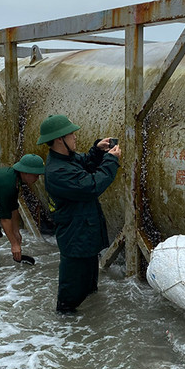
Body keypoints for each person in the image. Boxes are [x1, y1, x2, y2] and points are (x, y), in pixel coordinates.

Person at [37, 114, 121, 313]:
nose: (75, 138)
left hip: (85, 232)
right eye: (72, 135)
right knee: (70, 297)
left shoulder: (67, 159)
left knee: (90, 287)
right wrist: (111, 161)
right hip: (76, 236)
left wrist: (98, 151)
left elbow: (85, 162)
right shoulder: (58, 171)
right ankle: (66, 334)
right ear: (60, 139)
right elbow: (91, 186)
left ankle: (89, 329)